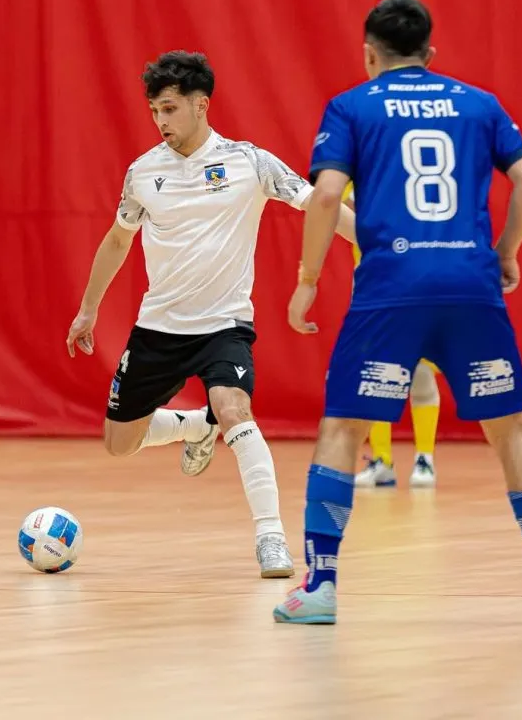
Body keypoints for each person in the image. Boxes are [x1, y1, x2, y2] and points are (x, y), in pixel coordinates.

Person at [274, 0, 522, 625]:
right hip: (471, 284)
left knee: (342, 430)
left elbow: (326, 193)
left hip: (390, 288)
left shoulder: (352, 106)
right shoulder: (478, 102)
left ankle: (321, 587)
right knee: (513, 432)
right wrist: (505, 252)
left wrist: (307, 278)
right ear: (429, 52)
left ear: (369, 53)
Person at [66, 50, 356, 579]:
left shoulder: (250, 162)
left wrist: (381, 248)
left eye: (171, 109)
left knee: (236, 408)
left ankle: (270, 537)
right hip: (159, 327)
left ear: (201, 105)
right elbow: (116, 240)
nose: (161, 122)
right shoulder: (143, 172)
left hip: (224, 324)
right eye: (154, 111)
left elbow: (320, 203)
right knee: (118, 442)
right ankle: (196, 425)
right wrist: (89, 309)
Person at [343, 186, 441, 488]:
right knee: (376, 377)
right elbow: (339, 210)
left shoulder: (414, 177)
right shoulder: (351, 177)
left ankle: (425, 459)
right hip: (372, 292)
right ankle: (382, 460)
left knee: (421, 372)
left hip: (418, 285)